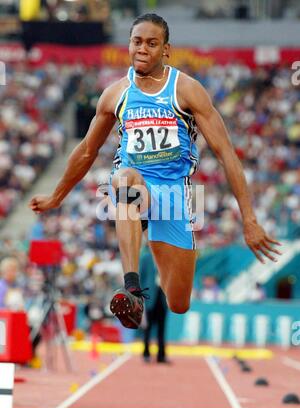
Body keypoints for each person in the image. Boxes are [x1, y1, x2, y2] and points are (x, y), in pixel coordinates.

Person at [29, 13, 282, 330]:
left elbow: (226, 154)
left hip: (174, 196)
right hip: (138, 188)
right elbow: (86, 150)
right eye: (137, 41)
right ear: (129, 45)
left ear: (166, 50)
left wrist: (249, 219)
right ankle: (132, 288)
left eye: (151, 43)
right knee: (124, 179)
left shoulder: (187, 90)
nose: (143, 49)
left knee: (178, 303)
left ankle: (150, 238)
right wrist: (56, 196)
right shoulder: (115, 94)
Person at [140, 241, 169, 364]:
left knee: (162, 328)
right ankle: (146, 353)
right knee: (147, 327)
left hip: (162, 297)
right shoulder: (145, 258)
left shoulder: (165, 258)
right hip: (149, 297)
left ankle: (161, 355)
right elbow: (141, 277)